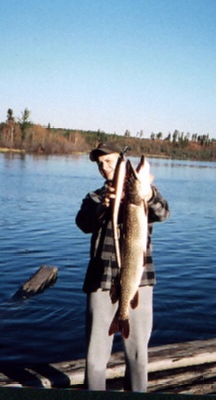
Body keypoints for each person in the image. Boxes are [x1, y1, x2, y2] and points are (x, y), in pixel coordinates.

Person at [75, 142, 170, 391]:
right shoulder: (95, 197)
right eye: (100, 164)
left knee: (138, 354)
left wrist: (147, 194)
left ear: (121, 163)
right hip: (101, 280)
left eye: (109, 161)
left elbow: (163, 213)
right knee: (95, 356)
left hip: (140, 280)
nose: (104, 167)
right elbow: (83, 223)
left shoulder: (143, 197)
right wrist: (103, 206)